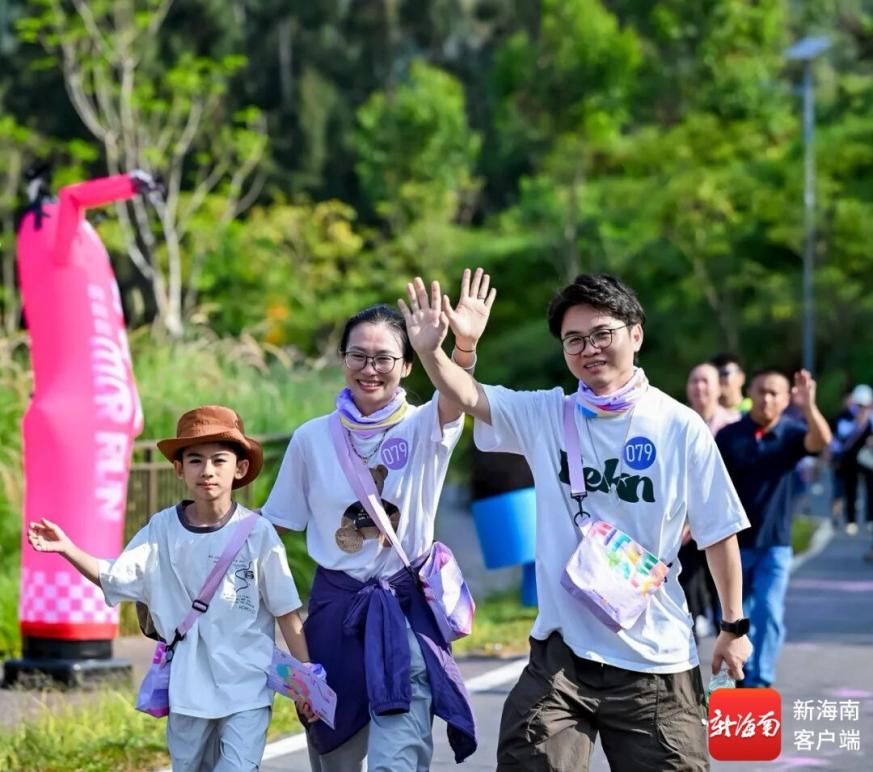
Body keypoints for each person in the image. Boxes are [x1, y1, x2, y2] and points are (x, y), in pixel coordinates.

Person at [402, 271, 752, 772]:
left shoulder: (679, 426)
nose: (589, 349)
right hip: (561, 658)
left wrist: (733, 625)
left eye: (602, 334)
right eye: (574, 340)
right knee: (527, 758)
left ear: (636, 334)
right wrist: (445, 350)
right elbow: (470, 394)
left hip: (656, 662)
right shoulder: (548, 414)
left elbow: (719, 531)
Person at [262, 272, 491, 771]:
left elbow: (456, 399)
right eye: (358, 356)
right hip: (333, 615)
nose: (370, 369)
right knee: (335, 759)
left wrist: (462, 349)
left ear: (407, 365)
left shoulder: (425, 425)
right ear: (342, 360)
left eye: (384, 358)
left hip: (404, 612)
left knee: (397, 761)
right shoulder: (310, 439)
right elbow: (271, 530)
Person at [27, 405, 314, 771]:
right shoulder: (161, 530)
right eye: (195, 460)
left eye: (219, 460)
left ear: (239, 469)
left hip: (247, 687)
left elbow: (286, 612)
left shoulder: (258, 534)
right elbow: (114, 575)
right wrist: (68, 549)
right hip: (187, 690)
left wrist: (307, 680)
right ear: (179, 469)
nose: (207, 471)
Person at [716, 369, 832, 688]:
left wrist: (809, 406)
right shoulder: (729, 436)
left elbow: (822, 441)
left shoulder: (792, 433)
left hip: (774, 544)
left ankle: (758, 680)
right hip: (732, 545)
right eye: (762, 391)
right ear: (750, 392)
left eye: (775, 393)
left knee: (768, 612)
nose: (767, 398)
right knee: (734, 617)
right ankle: (736, 675)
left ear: (785, 399)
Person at [681, 363, 742, 637]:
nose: (699, 387)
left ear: (720, 387)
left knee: (724, 593)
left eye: (706, 381)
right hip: (684, 528)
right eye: (694, 381)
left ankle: (727, 640)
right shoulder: (676, 424)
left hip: (723, 525)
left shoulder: (735, 427)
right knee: (688, 592)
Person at [831, 384, 873, 535]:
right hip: (850, 461)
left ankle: (870, 519)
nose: (862, 407)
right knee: (850, 490)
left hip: (869, 461)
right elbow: (839, 437)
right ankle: (851, 521)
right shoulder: (846, 417)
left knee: (870, 489)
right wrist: (858, 423)